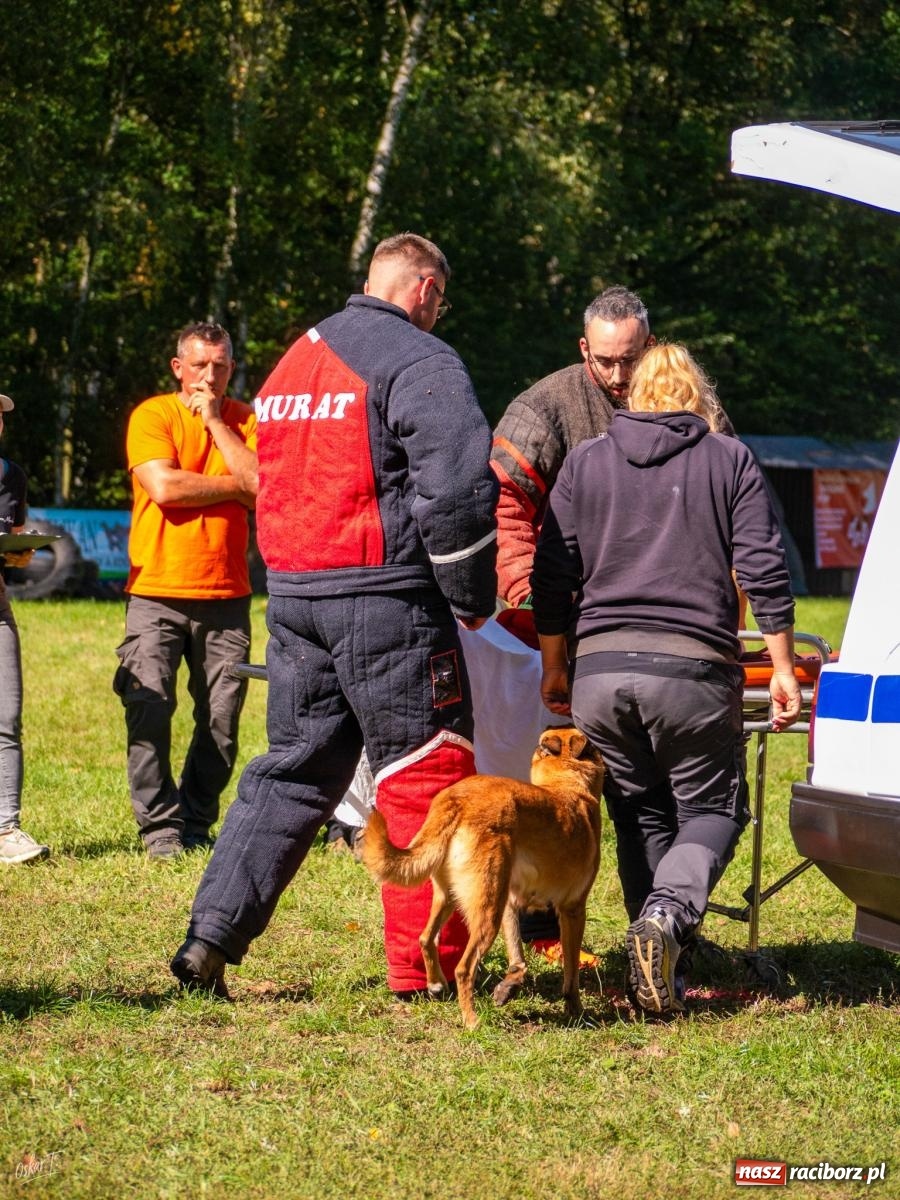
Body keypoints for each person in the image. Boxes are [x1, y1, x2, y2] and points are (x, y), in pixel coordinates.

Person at [170, 232, 498, 999]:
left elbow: (270, 477)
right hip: (386, 602)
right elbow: (455, 494)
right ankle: (428, 974)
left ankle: (207, 942)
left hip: (295, 599)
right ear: (423, 289)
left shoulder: (297, 360)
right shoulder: (419, 358)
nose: (437, 314)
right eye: (439, 301)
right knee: (427, 770)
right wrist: (472, 599)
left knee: (291, 774)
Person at [531, 342, 801, 1017]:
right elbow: (764, 567)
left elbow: (551, 574)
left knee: (639, 808)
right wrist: (786, 665)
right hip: (692, 671)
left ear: (632, 397)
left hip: (599, 673)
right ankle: (667, 919)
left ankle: (653, 954)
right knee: (714, 809)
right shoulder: (727, 458)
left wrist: (557, 664)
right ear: (696, 400)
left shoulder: (586, 462)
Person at [114, 322, 258, 861]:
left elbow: (263, 486)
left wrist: (217, 422)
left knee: (222, 720)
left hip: (228, 596)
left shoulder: (245, 419)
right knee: (148, 709)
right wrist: (233, 487)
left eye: (221, 366)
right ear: (179, 367)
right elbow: (164, 487)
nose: (211, 376)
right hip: (156, 590)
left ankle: (196, 822)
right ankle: (159, 830)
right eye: (200, 366)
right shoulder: (153, 415)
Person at [0, 392, 51, 864]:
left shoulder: (11, 475)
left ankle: (6, 829)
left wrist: (20, 553)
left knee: (6, 718)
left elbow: (11, 541)